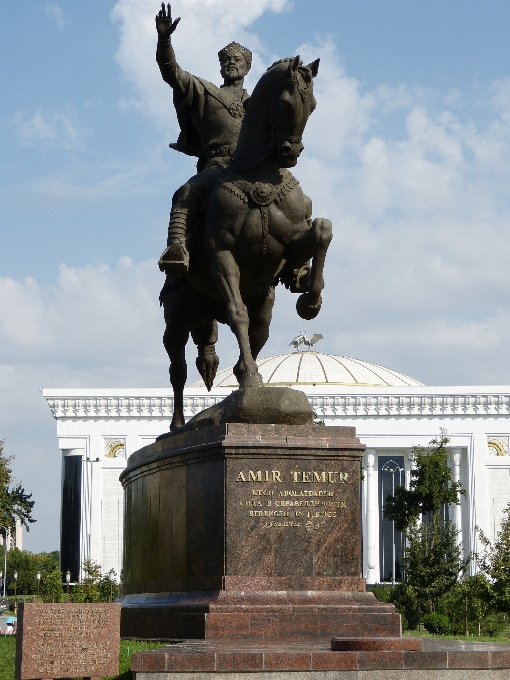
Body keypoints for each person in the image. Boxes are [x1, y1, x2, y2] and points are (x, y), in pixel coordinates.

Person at [155, 3, 253, 276]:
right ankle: (176, 248)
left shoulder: (257, 105)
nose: (231, 63)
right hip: (217, 166)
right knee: (185, 193)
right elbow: (171, 72)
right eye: (226, 60)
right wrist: (165, 39)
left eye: (237, 60)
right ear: (220, 66)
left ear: (247, 67)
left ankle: (299, 264)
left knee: (297, 201)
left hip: (254, 167)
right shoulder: (205, 92)